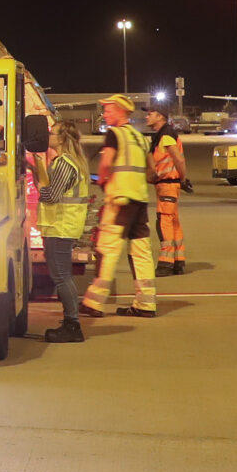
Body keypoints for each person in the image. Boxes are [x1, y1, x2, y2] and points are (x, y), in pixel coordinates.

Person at [83, 94, 158, 318]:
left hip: (119, 202)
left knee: (107, 250)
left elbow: (106, 165)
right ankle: (146, 304)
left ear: (121, 111)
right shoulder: (140, 137)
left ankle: (94, 302)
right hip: (140, 202)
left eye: (108, 110)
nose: (105, 114)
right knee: (141, 252)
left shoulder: (115, 134)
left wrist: (103, 181)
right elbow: (152, 172)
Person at [38, 121, 93, 341]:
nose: (49, 136)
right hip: (63, 225)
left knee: (62, 277)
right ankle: (71, 322)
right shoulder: (72, 162)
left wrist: (39, 188)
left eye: (52, 133)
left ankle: (72, 325)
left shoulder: (64, 164)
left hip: (60, 226)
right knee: (62, 276)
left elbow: (51, 196)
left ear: (62, 139)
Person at [147, 107, 188, 275]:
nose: (146, 116)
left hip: (168, 184)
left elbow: (178, 159)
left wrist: (183, 178)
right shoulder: (161, 136)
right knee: (173, 222)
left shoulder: (165, 135)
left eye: (150, 114)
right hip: (167, 184)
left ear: (160, 117)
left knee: (164, 222)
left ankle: (166, 263)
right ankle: (178, 261)